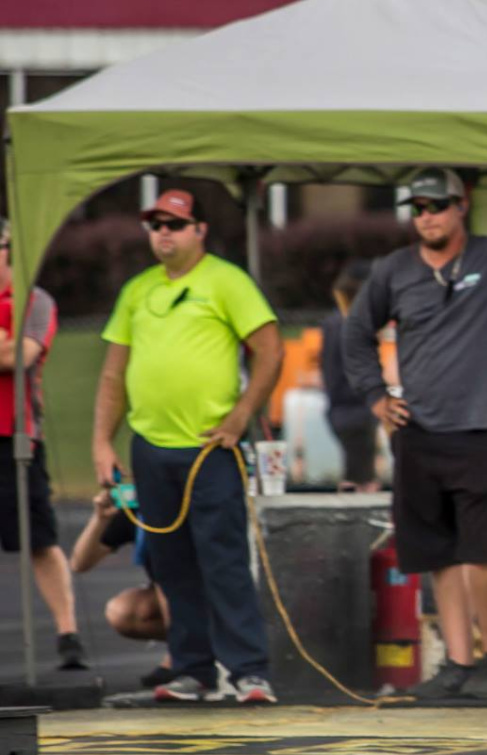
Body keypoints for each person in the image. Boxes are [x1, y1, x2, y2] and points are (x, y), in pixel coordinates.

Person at [343, 169, 487, 700]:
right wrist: (377, 398)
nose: (426, 215)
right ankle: (457, 661)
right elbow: (356, 334)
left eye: (436, 205)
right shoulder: (394, 270)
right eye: (418, 207)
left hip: (483, 428)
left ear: (461, 206)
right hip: (419, 431)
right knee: (438, 554)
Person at [92, 189, 284, 704]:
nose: (165, 233)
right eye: (156, 225)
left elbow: (268, 349)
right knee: (170, 562)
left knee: (222, 559)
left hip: (207, 448)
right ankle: (192, 667)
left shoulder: (225, 281)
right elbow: (113, 372)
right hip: (151, 446)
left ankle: (248, 670)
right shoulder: (137, 290)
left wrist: (240, 416)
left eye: (175, 224)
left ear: (199, 229)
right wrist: (101, 444)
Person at [1, 217, 87, 670]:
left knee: (39, 538)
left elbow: (24, 355)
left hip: (17, 437)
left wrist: (10, 348)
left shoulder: (32, 301)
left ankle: (67, 632)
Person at [70, 489, 175, 689]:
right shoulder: (139, 508)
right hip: (182, 598)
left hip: (206, 593)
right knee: (123, 612)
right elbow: (79, 563)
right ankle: (194, 649)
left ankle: (181, 660)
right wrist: (100, 519)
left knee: (170, 575)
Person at [320, 261, 379, 490]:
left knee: (355, 474)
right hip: (356, 410)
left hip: (343, 410)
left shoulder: (334, 323)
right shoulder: (351, 325)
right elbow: (354, 372)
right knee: (361, 481)